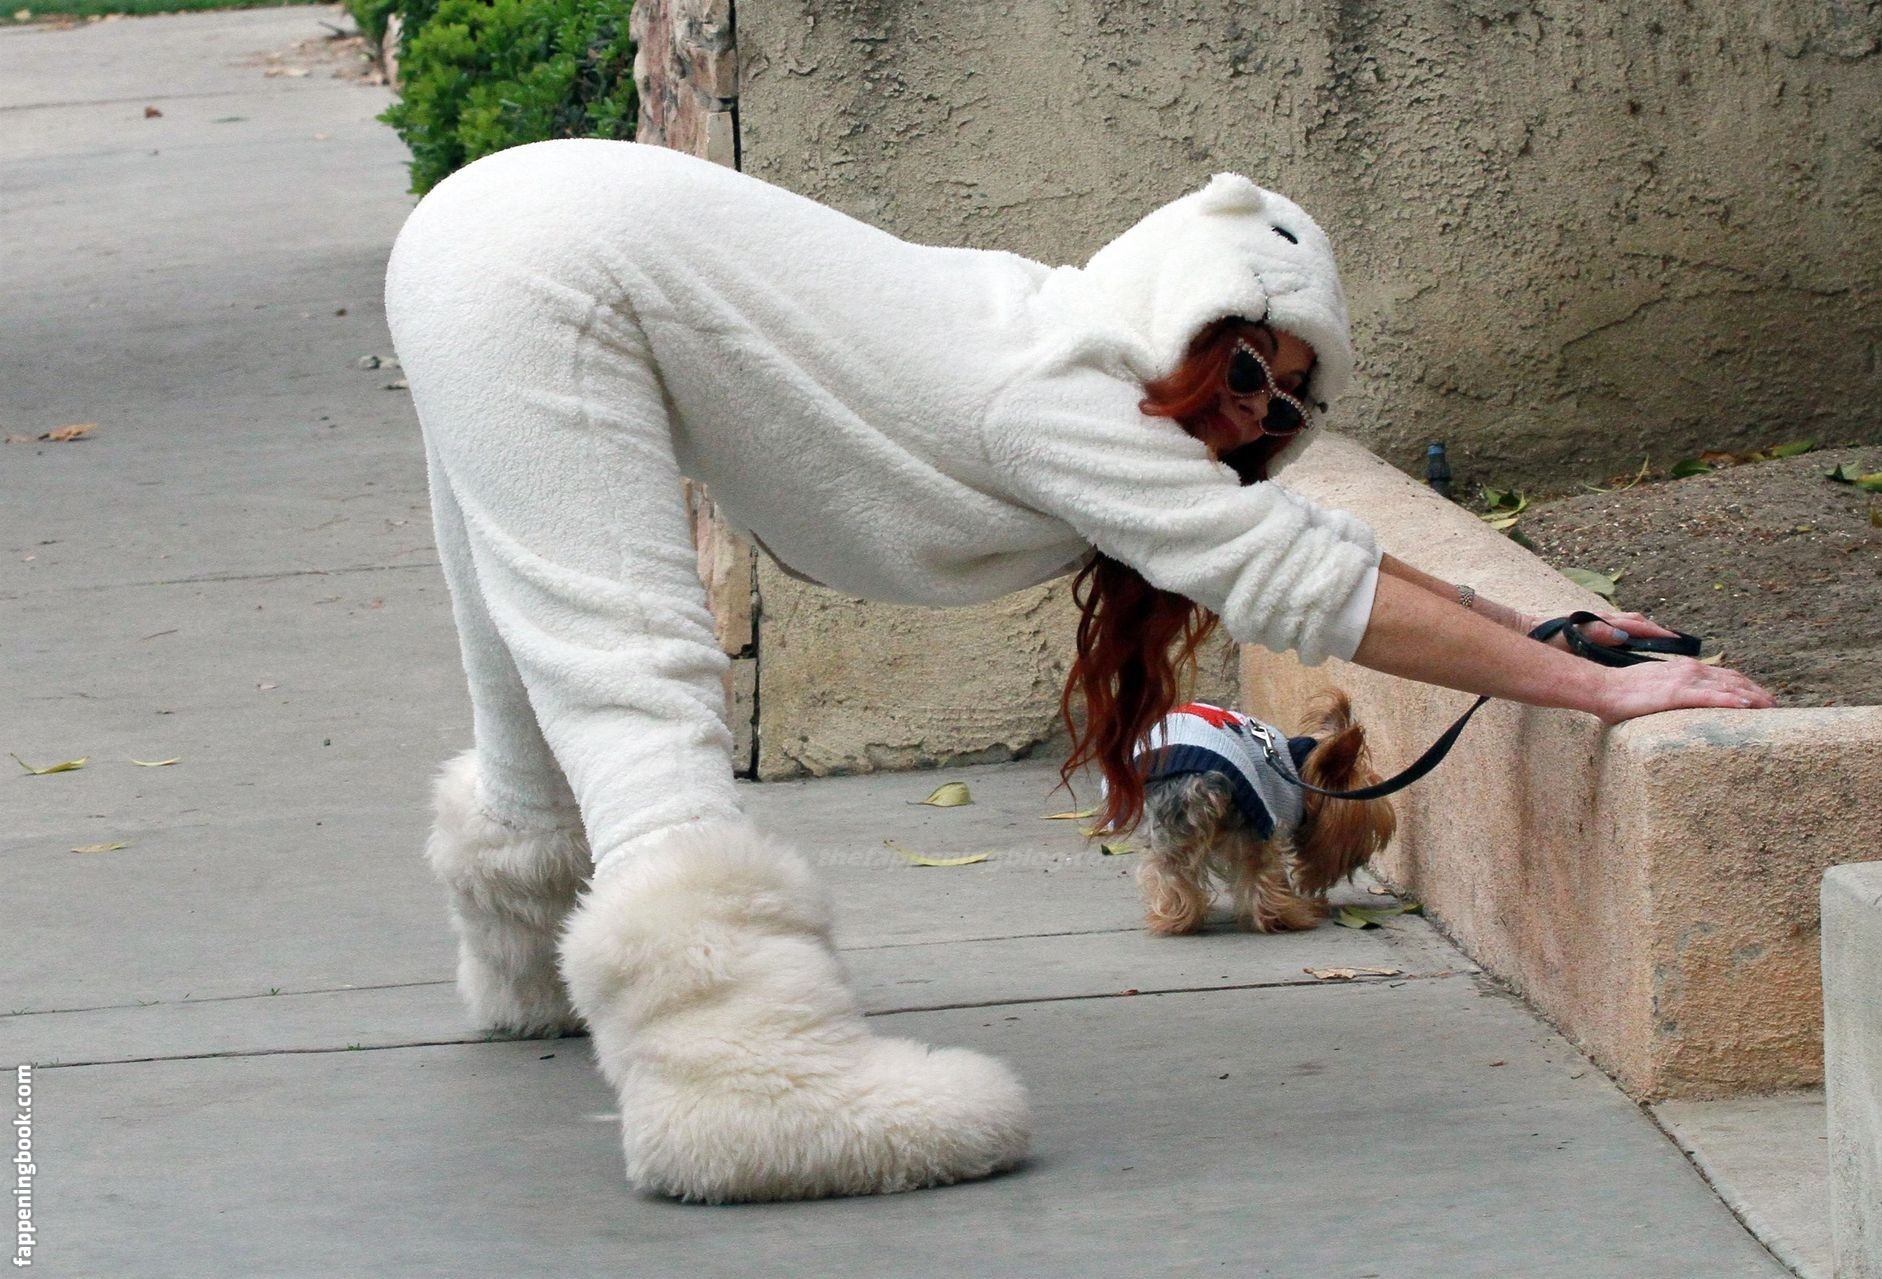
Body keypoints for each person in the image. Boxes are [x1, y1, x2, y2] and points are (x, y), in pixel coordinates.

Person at [383, 140, 1774, 1205]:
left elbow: (1313, 546)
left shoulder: (1073, 358)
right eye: (1246, 368)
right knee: (623, 659)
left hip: (495, 232)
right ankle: (735, 1077)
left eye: (1289, 403)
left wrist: (1547, 630)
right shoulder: (1064, 386)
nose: (1257, 414)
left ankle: (530, 943)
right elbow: (1303, 581)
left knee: (515, 619)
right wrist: (1602, 694)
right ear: (1182, 315)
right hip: (544, 258)